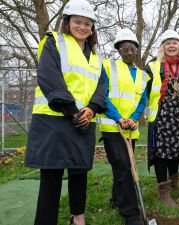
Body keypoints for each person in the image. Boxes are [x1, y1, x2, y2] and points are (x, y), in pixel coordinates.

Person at [24, 0, 106, 225]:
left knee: (79, 172)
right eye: (78, 22)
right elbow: (50, 78)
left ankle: (78, 217)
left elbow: (101, 87)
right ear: (67, 22)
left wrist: (91, 109)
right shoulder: (53, 42)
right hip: (55, 120)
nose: (82, 27)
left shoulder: (96, 57)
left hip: (84, 121)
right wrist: (73, 111)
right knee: (52, 176)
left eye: (87, 23)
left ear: (92, 28)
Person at [96, 28, 146, 225]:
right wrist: (118, 118)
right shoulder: (107, 67)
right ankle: (130, 214)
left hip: (131, 130)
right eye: (125, 49)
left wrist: (133, 118)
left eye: (133, 49)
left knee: (124, 166)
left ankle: (116, 199)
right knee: (124, 166)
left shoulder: (142, 75)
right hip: (112, 128)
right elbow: (103, 97)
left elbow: (141, 101)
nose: (130, 52)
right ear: (119, 50)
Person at [144, 30, 179, 208]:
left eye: (175, 42)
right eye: (168, 43)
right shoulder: (152, 66)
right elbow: (143, 92)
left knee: (176, 149)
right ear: (163, 47)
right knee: (161, 153)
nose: (172, 46)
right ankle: (163, 192)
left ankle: (174, 184)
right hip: (162, 115)